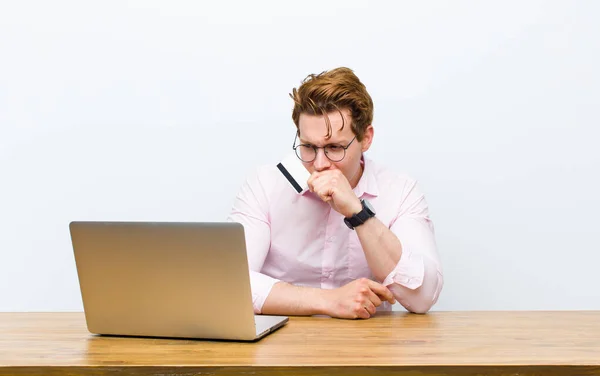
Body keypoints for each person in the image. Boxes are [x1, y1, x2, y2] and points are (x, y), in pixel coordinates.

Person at [227, 67, 443, 319]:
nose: (319, 163)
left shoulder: (400, 190)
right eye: (308, 147)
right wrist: (328, 301)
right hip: (280, 347)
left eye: (334, 147)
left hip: (369, 350)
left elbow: (423, 297)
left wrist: (358, 213)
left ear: (366, 138)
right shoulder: (265, 184)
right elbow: (230, 284)